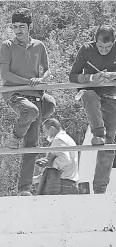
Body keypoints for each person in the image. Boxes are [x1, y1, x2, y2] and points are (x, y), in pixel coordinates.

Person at [0, 8, 56, 196]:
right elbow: (5, 75)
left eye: (21, 27)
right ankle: (15, 135)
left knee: (34, 139)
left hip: (36, 94)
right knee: (30, 112)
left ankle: (24, 189)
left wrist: (41, 80)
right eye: (14, 27)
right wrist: (29, 82)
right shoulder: (7, 45)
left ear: (30, 27)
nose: (17, 30)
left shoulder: (39, 45)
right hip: (16, 94)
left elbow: (47, 70)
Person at [69, 24, 116, 194]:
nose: (103, 50)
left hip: (112, 98)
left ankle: (100, 189)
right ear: (94, 41)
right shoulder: (86, 49)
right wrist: (91, 78)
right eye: (100, 46)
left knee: (109, 143)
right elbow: (72, 75)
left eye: (108, 47)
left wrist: (113, 75)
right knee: (88, 95)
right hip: (91, 92)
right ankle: (97, 133)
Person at [34, 118, 79, 195]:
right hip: (68, 183)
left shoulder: (58, 140)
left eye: (45, 132)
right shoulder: (67, 139)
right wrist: (37, 179)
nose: (45, 136)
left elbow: (64, 160)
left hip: (61, 185)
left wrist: (49, 163)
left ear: (52, 129)